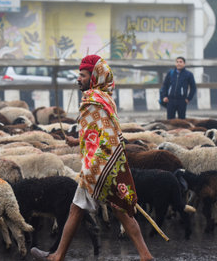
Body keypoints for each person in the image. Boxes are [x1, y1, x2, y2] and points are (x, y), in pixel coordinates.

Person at [30, 55, 153, 261]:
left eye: (83, 75)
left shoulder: (93, 101)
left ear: (94, 78)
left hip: (97, 167)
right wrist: (76, 142)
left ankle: (57, 256)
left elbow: (105, 137)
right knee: (118, 210)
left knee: (78, 209)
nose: (79, 79)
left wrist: (92, 168)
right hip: (108, 164)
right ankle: (145, 255)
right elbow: (98, 135)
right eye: (79, 75)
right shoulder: (105, 98)